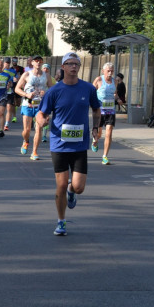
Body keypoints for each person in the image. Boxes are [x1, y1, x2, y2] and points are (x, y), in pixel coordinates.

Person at [35, 51, 102, 236]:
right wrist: (41, 120)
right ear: (63, 67)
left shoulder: (88, 88)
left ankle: (73, 191)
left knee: (78, 187)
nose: (74, 67)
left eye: (76, 64)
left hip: (80, 145)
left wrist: (96, 127)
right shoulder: (54, 91)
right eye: (70, 64)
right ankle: (61, 221)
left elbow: (96, 109)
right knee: (61, 184)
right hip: (59, 144)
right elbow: (41, 113)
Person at [14, 55, 51, 160]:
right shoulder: (26, 74)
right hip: (27, 104)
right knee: (26, 130)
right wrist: (26, 95)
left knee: (38, 128)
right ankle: (26, 141)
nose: (38, 63)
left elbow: (52, 90)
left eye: (40, 61)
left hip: (40, 106)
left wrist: (46, 93)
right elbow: (17, 89)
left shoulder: (46, 75)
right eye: (36, 61)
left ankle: (34, 152)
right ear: (33, 63)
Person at [91, 62, 118, 165]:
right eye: (108, 71)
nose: (110, 73)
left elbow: (115, 93)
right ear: (103, 71)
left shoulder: (115, 81)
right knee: (98, 133)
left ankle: (105, 156)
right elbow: (91, 92)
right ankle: (95, 141)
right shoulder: (98, 80)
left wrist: (117, 98)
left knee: (109, 132)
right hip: (99, 110)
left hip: (110, 110)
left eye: (112, 71)